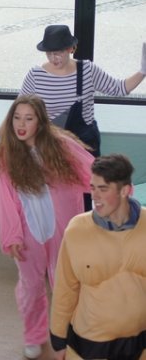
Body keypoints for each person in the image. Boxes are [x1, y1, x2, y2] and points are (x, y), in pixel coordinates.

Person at [0, 95, 95, 359]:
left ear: (40, 121)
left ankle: (66, 337)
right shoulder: (8, 154)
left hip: (62, 230)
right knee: (30, 287)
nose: (21, 124)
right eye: (17, 118)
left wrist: (115, 193)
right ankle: (34, 335)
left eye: (28, 118)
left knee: (66, 286)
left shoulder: (61, 146)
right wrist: (12, 235)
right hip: (29, 233)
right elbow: (5, 198)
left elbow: (93, 172)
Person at [0, 24, 146, 158]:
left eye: (59, 52)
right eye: (49, 53)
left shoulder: (87, 70)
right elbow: (17, 111)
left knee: (86, 186)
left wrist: (142, 72)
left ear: (71, 49)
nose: (54, 58)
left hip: (84, 144)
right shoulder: (36, 75)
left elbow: (119, 88)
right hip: (50, 144)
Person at [50, 154, 146, 360]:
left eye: (103, 189)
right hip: (89, 346)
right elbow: (65, 288)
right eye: (93, 188)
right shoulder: (77, 230)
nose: (95, 196)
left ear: (125, 190)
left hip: (140, 344)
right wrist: (58, 338)